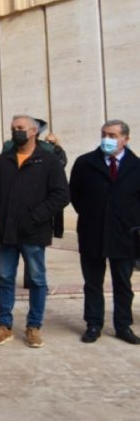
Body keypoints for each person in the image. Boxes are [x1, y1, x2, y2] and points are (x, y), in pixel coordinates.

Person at [0, 115, 69, 348]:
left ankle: (34, 326)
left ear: (33, 131)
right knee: (5, 279)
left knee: (38, 280)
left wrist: (36, 216)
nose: (15, 132)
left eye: (20, 128)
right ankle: (4, 326)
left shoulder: (48, 161)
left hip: (33, 233)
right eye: (13, 128)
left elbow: (61, 195)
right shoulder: (2, 161)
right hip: (5, 233)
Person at [70, 119, 140, 344]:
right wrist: (94, 215)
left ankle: (123, 325)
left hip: (124, 234)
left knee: (123, 283)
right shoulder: (84, 163)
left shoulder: (136, 166)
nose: (107, 139)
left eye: (112, 135)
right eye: (104, 134)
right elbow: (76, 196)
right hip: (93, 231)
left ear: (125, 139)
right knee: (92, 282)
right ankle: (93, 324)